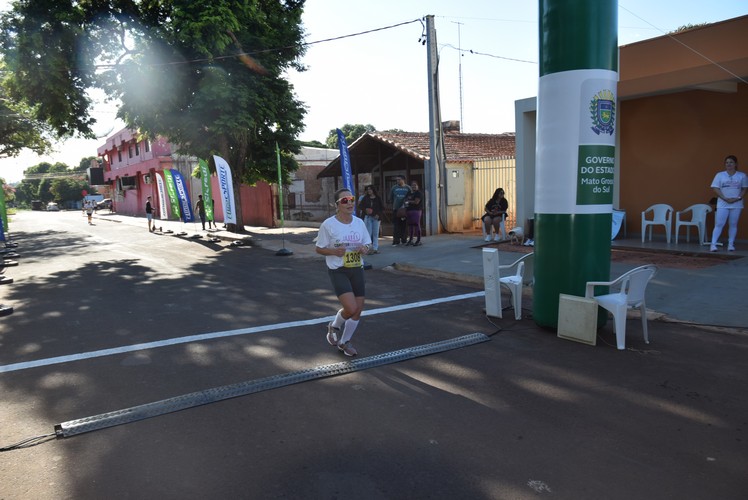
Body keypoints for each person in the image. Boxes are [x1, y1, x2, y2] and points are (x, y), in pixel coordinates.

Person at [316, 188, 372, 357]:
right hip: (338, 269)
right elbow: (319, 248)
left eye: (351, 199)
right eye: (344, 200)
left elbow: (368, 245)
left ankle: (344, 342)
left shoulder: (359, 223)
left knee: (358, 309)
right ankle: (334, 326)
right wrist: (334, 252)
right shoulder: (328, 224)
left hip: (356, 268)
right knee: (351, 307)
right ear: (337, 205)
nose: (349, 203)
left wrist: (365, 249)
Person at [710, 155, 747, 252]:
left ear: (736, 164)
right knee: (719, 223)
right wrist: (725, 198)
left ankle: (731, 244)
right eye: (726, 162)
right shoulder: (719, 175)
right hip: (723, 203)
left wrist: (737, 198)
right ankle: (713, 244)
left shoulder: (742, 175)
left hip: (736, 204)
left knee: (733, 224)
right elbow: (715, 188)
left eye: (731, 162)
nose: (728, 164)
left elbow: (744, 189)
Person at [357, 185, 385, 253]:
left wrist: (378, 214)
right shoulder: (365, 198)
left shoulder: (378, 198)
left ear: (373, 190)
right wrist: (365, 209)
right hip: (368, 217)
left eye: (370, 189)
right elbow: (360, 206)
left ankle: (375, 248)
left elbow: (382, 208)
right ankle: (368, 248)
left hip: (376, 217)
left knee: (375, 233)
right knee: (368, 233)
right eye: (368, 189)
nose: (369, 191)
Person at [389, 176, 411, 246]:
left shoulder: (408, 188)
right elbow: (391, 198)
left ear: (403, 180)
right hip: (396, 209)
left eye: (399, 180)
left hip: (405, 209)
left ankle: (404, 240)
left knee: (404, 225)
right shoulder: (394, 188)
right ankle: (396, 241)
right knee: (396, 225)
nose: (398, 181)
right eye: (397, 180)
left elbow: (410, 197)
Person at [404, 181, 423, 246]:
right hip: (409, 210)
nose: (413, 186)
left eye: (415, 185)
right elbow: (405, 200)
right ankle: (410, 239)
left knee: (417, 224)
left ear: (417, 186)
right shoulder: (409, 193)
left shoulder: (418, 193)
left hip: (416, 210)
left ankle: (418, 240)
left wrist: (409, 202)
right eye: (412, 185)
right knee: (410, 225)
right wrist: (407, 202)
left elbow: (416, 202)